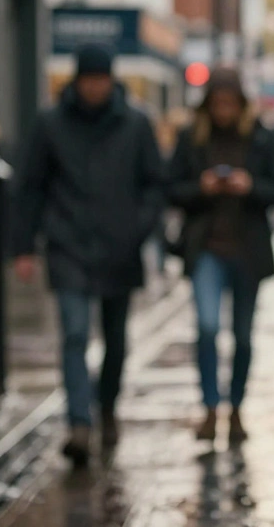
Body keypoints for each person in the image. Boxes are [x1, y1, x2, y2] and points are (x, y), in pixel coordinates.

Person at [11, 44, 166, 467]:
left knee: (116, 341)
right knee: (75, 335)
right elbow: (30, 186)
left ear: (111, 80)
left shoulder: (135, 124)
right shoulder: (49, 124)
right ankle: (79, 423)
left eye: (100, 79)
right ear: (76, 81)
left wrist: (138, 228)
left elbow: (155, 183)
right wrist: (23, 246)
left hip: (120, 247)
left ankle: (106, 406)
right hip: (68, 246)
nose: (94, 87)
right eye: (87, 80)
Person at [167, 68, 274, 442]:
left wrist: (251, 186)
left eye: (230, 103)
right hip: (206, 249)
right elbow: (170, 188)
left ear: (240, 104)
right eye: (217, 103)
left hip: (247, 251)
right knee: (207, 328)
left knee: (242, 335)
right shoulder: (191, 137)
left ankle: (236, 408)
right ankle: (209, 407)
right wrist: (201, 187)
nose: (224, 110)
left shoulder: (262, 137)